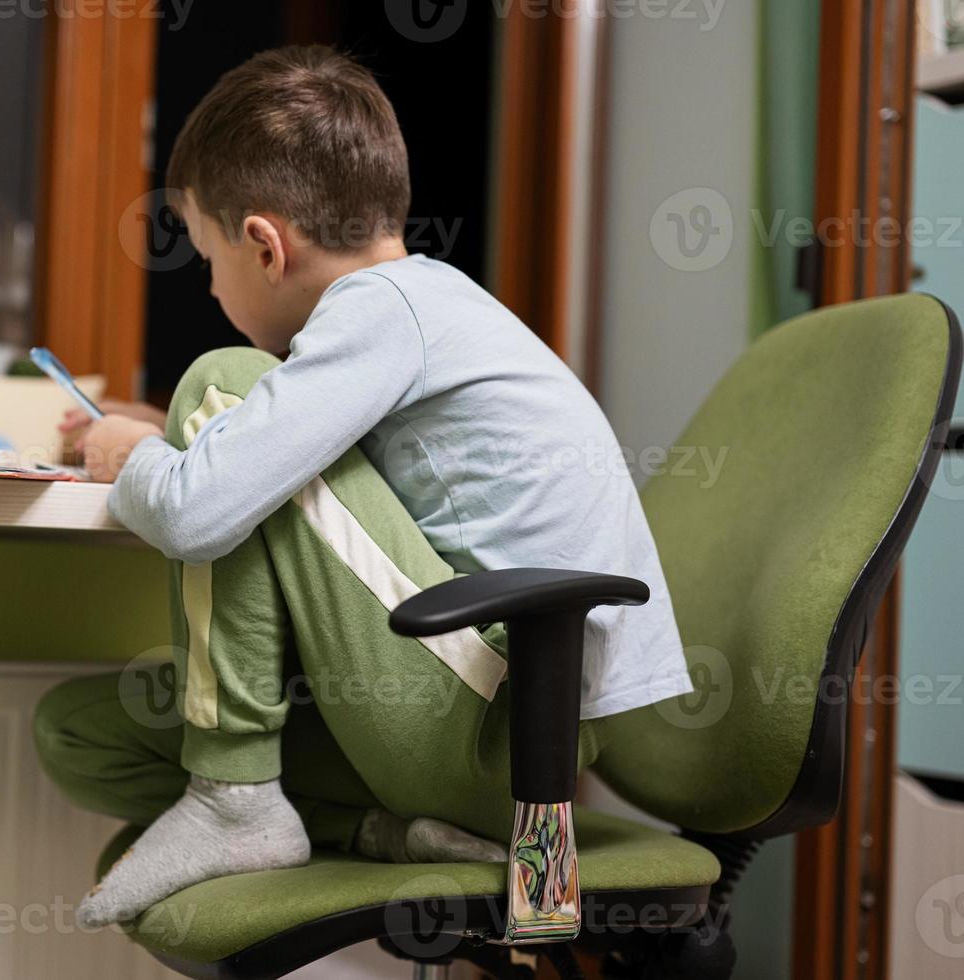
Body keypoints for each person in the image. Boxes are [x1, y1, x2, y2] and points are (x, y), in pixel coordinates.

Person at [34, 45, 693, 928]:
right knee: (82, 734)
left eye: (206, 258)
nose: (210, 283)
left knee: (223, 379)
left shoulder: (383, 310)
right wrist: (164, 445)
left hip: (496, 734)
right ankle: (389, 832)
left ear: (264, 245)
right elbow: (309, 499)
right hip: (492, 740)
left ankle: (235, 801)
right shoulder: (424, 310)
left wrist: (138, 453)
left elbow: (197, 512)